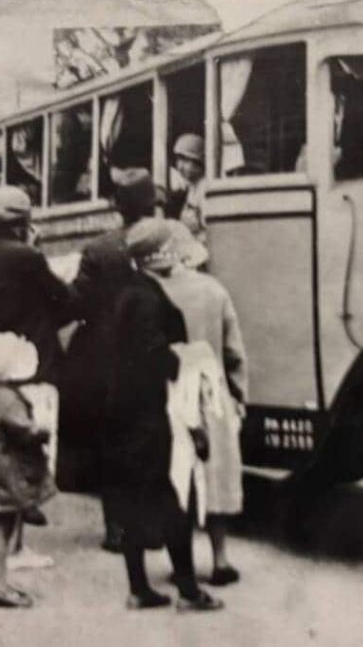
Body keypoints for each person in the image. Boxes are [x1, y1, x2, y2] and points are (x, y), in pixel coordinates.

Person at [104, 217, 222, 612]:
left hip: (125, 413)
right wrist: (188, 360)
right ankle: (188, 592)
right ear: (158, 255)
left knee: (135, 501)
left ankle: (140, 588)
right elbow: (154, 356)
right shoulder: (147, 299)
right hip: (150, 416)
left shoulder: (129, 292)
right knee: (174, 499)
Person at [0, 185, 74, 569]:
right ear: (23, 223)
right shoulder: (27, 257)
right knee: (29, 455)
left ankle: (5, 544)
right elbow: (65, 305)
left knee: (1, 455)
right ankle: (17, 547)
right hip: (32, 365)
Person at [64, 169, 159, 550]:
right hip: (152, 355)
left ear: (119, 208)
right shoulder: (165, 241)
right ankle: (151, 530)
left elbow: (77, 303)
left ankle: (117, 531)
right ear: (151, 204)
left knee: (113, 445)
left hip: (107, 360)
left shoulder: (99, 250)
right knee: (150, 443)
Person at [156, 221, 248, 586]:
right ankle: (221, 560)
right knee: (216, 475)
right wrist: (239, 394)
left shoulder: (155, 291)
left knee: (176, 476)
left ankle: (182, 565)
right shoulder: (215, 290)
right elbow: (234, 351)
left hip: (170, 390)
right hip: (212, 393)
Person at [0, 332, 56, 609]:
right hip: (3, 476)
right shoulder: (8, 399)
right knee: (1, 528)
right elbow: (22, 429)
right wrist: (41, 431)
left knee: (0, 527)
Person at [167, 133, 207, 244]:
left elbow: (210, 231)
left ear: (199, 162)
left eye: (185, 160)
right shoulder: (192, 187)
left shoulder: (204, 188)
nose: (180, 166)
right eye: (179, 160)